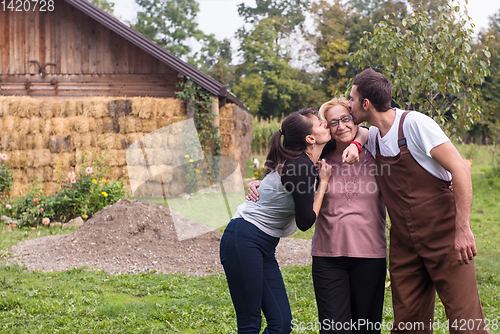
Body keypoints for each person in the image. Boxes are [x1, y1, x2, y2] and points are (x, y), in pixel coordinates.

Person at [347, 68, 489, 334]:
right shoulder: (375, 135)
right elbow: (354, 134)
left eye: (352, 99)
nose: (348, 104)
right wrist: (355, 146)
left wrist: (463, 229)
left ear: (366, 104)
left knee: (465, 321)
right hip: (405, 244)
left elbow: (461, 169)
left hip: (445, 237)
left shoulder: (414, 125)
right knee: (408, 324)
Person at [248, 98, 387, 334]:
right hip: (328, 258)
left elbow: (374, 131)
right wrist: (260, 184)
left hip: (370, 255)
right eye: (333, 122)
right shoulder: (317, 162)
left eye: (346, 118)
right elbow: (287, 176)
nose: (341, 126)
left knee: (366, 328)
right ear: (326, 129)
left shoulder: (377, 152)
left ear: (355, 119)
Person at [220, 108, 362, 334]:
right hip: (243, 240)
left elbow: (361, 132)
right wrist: (323, 183)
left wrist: (356, 145)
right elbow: (306, 221)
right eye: (319, 123)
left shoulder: (303, 158)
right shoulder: (301, 166)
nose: (326, 123)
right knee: (250, 324)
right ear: (310, 138)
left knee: (281, 324)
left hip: (263, 247)